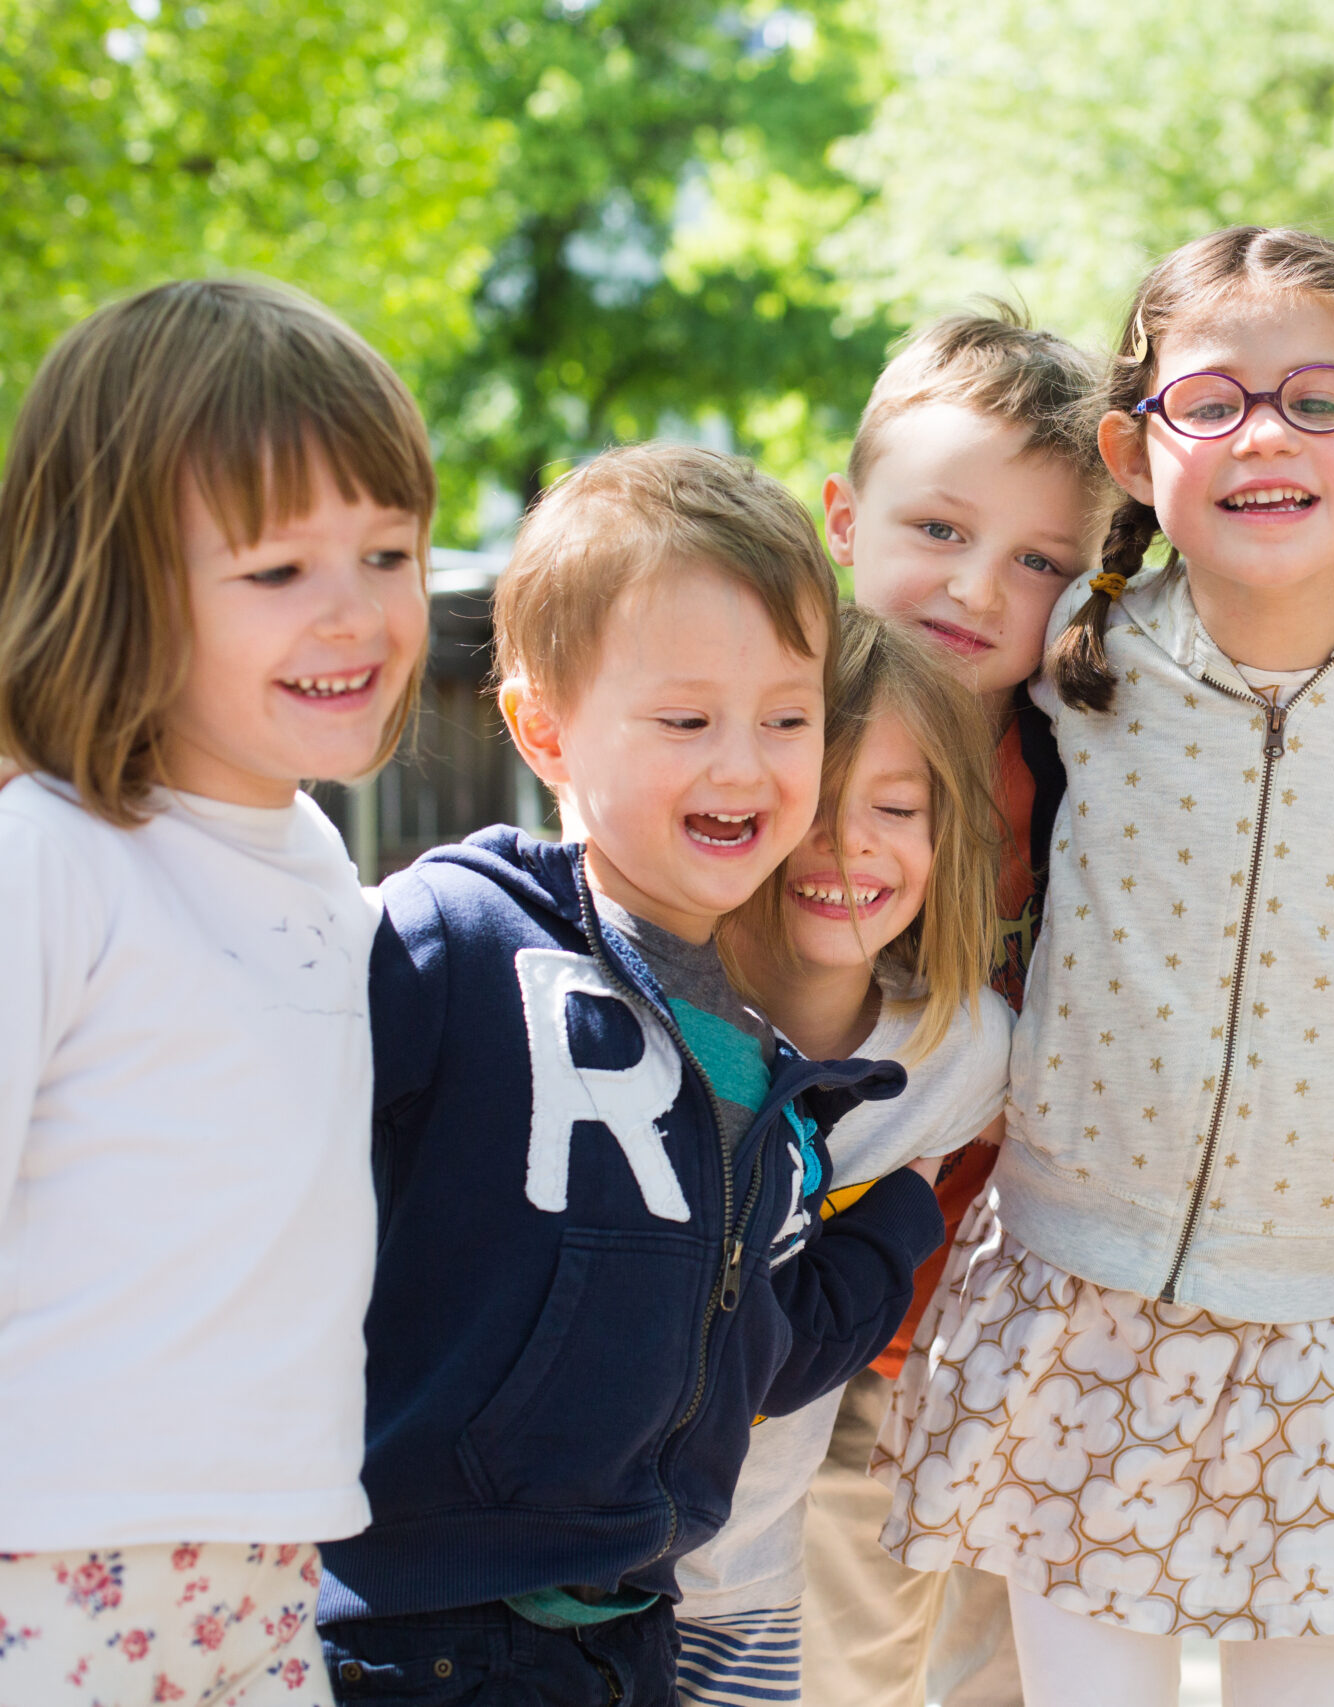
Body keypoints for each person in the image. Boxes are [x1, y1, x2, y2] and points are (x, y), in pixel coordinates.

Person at [870, 225, 1334, 1707]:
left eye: (1316, 399)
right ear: (1136, 450)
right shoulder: (1082, 656)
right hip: (1075, 1297)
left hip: (1322, 1323)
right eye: (1211, 400)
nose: (1265, 434)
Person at [317, 443, 945, 1705]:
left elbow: (750, 1347)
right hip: (427, 1624)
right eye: (685, 719)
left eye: (785, 717)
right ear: (545, 729)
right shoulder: (454, 937)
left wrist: (899, 1226)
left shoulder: (751, 1058)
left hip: (629, 1631)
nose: (741, 763)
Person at [0, 278, 435, 1704]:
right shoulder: (35, 866)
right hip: (22, 1563)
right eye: (276, 572)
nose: (357, 612)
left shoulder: (319, 863)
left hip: (265, 1560)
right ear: (117, 585)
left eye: (388, 551)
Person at [801, 308, 1105, 1707]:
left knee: (1001, 1674)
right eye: (937, 529)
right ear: (845, 516)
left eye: (1039, 560)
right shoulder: (769, 727)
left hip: (1022, 1327)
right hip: (821, 1329)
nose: (978, 586)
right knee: (828, 1662)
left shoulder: (1086, 759)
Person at [675, 608, 1009, 1706]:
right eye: (814, 806)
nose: (849, 844)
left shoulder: (961, 1053)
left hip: (751, 1580)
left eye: (896, 808)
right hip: (585, 1558)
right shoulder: (659, 1015)